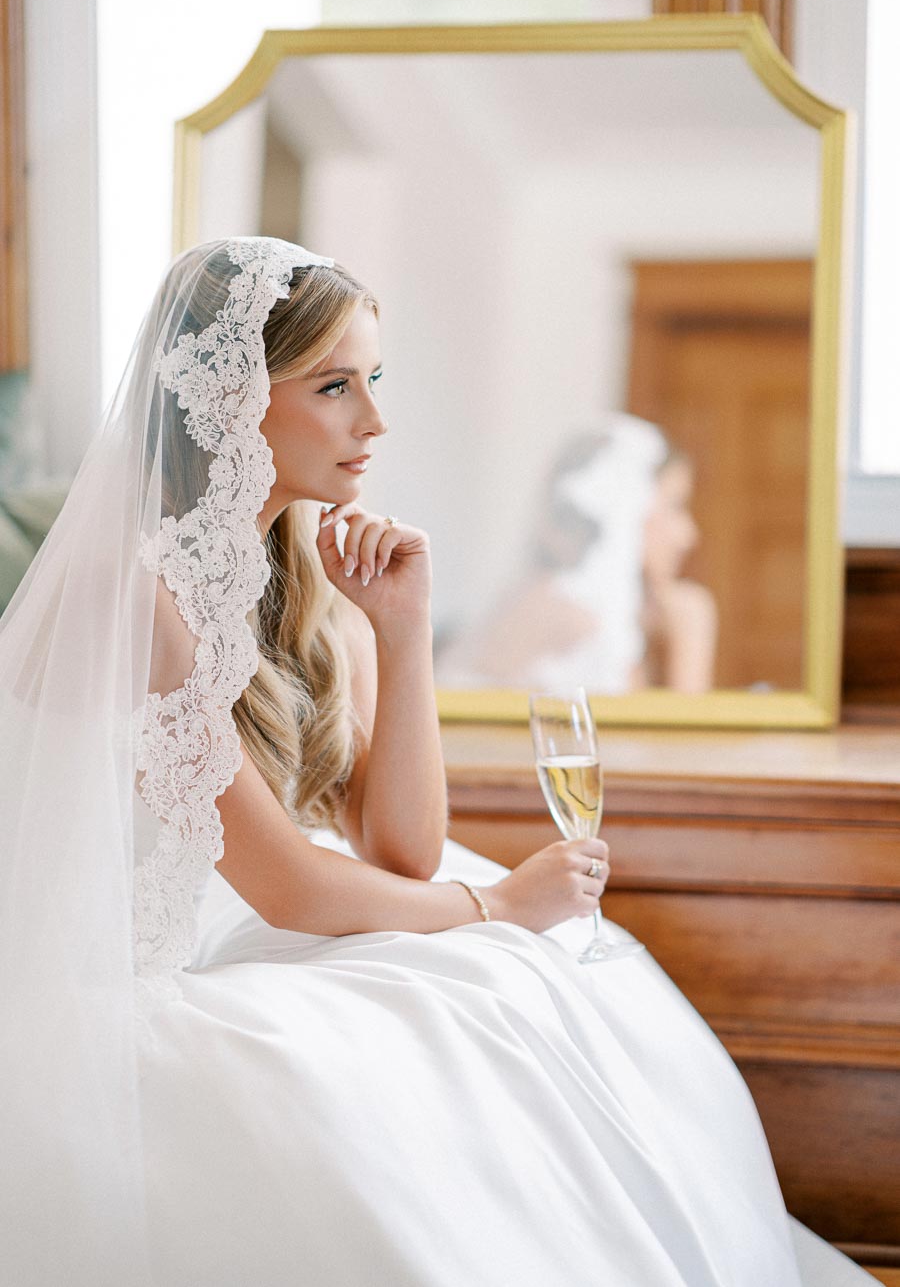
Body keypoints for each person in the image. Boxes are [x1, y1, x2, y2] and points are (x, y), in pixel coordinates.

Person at [0, 237, 868, 1286]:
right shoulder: (135, 599)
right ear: (230, 403)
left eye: (375, 379)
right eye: (333, 385)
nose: (374, 420)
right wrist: (501, 903)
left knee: (516, 981)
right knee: (466, 992)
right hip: (110, 988)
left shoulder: (306, 585)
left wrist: (399, 634)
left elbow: (402, 852)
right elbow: (284, 882)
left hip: (240, 926)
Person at [436, 415, 718, 694]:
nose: (688, 535)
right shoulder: (578, 619)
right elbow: (634, 740)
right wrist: (692, 638)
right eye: (675, 506)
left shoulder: (563, 601)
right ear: (624, 509)